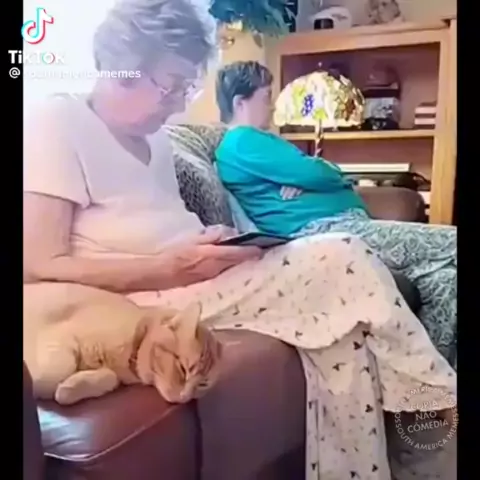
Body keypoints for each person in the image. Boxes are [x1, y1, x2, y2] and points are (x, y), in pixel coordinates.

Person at [23, 1, 456, 479]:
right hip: (143, 300)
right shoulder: (56, 122)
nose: (177, 103)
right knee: (342, 257)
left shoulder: (157, 140)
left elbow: (163, 223)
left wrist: (212, 240)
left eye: (186, 88)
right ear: (121, 65)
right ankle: (436, 411)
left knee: (339, 335)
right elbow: (39, 263)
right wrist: (170, 267)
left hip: (197, 278)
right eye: (170, 85)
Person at [215, 60, 457, 367]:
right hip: (324, 232)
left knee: (446, 280)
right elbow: (319, 173)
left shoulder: (262, 141)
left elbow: (320, 171)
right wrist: (314, 176)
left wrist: (312, 175)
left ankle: (427, 387)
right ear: (240, 102)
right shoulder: (242, 141)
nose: (272, 105)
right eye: (266, 97)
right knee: (453, 242)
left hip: (343, 226)